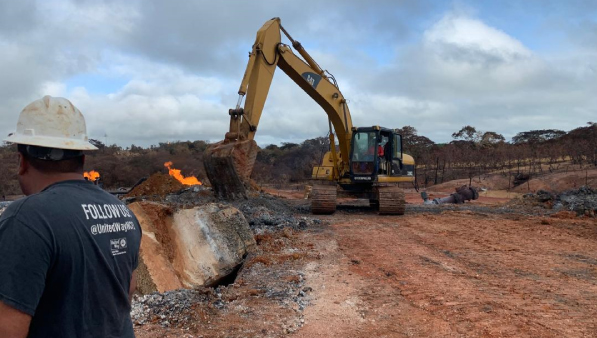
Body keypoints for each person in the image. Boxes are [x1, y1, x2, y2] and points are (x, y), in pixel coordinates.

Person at [0, 96, 142, 338]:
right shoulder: (124, 212)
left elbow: (7, 327)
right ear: (83, 159)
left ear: (21, 161)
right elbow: (128, 289)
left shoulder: (25, 219)